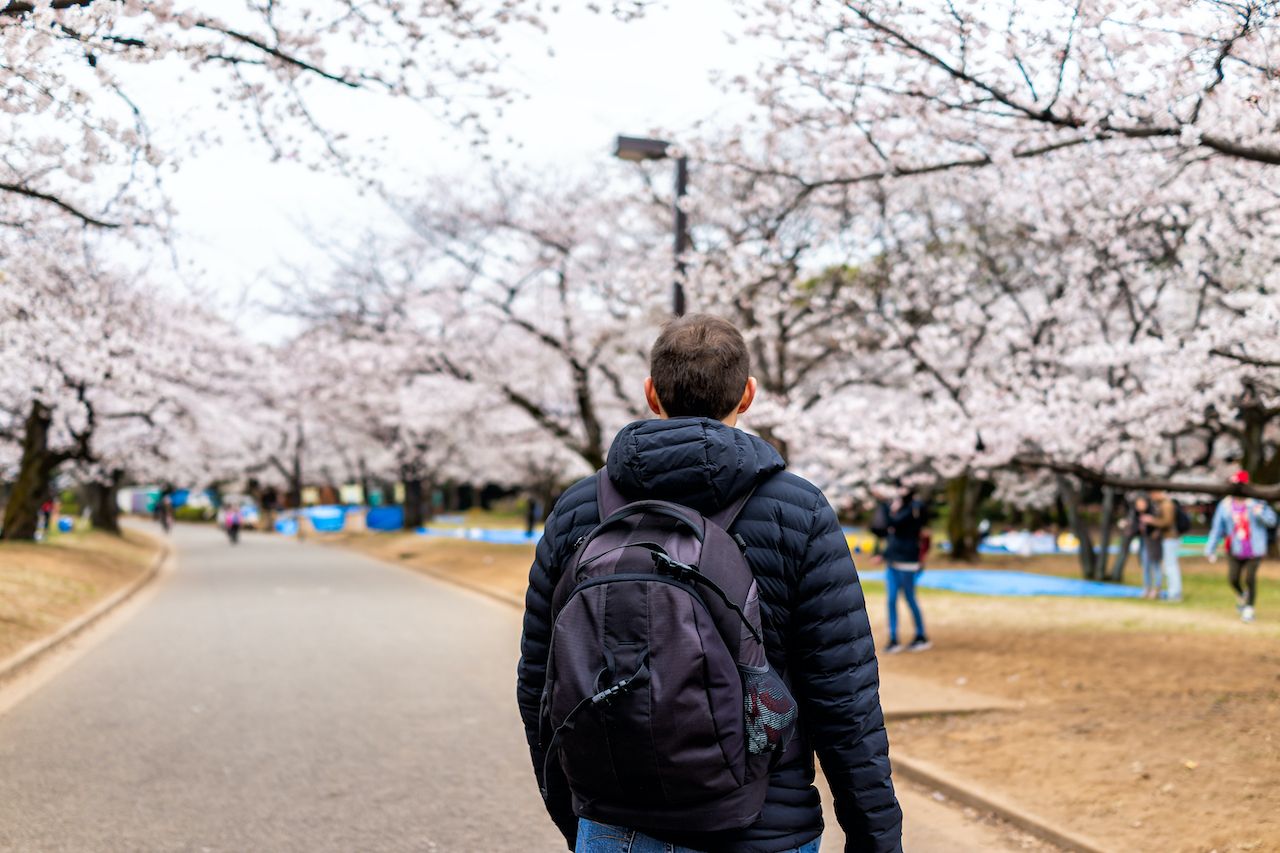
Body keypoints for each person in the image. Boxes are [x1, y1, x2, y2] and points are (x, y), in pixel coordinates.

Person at [517, 314, 902, 853]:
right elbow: (845, 698)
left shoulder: (579, 509)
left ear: (651, 394)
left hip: (617, 824)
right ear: (748, 395)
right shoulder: (800, 510)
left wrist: (579, 811)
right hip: (765, 822)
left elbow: (541, 680)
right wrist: (875, 838)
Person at [1205, 471, 1277, 623]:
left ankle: (1249, 609)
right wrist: (1210, 548)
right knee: (1233, 578)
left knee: (1250, 578)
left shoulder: (1256, 503)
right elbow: (1217, 528)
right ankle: (1244, 596)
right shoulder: (1225, 505)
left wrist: (1260, 513)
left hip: (1254, 549)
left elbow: (1272, 521)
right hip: (1234, 548)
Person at [871, 483, 930, 653]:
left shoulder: (914, 509)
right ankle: (893, 638)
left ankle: (921, 635)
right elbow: (888, 532)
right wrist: (882, 554)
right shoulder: (899, 507)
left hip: (907, 562)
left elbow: (895, 523)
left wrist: (886, 505)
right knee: (891, 600)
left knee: (910, 598)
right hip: (893, 561)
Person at [1141, 490, 1181, 601]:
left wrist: (1152, 520)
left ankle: (1174, 594)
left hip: (1170, 538)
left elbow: (1167, 522)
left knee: (1171, 566)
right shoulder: (1163, 504)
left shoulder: (1167, 504)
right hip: (1168, 538)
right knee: (1169, 566)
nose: (1152, 497)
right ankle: (1173, 592)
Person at [1130, 494, 1163, 599]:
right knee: (1145, 566)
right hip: (1143, 541)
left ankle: (1157, 589)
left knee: (1155, 565)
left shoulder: (1154, 512)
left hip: (1153, 542)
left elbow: (1161, 525)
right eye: (1138, 504)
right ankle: (1147, 588)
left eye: (1142, 503)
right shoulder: (1136, 514)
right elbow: (1134, 529)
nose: (1140, 505)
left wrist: (1152, 523)